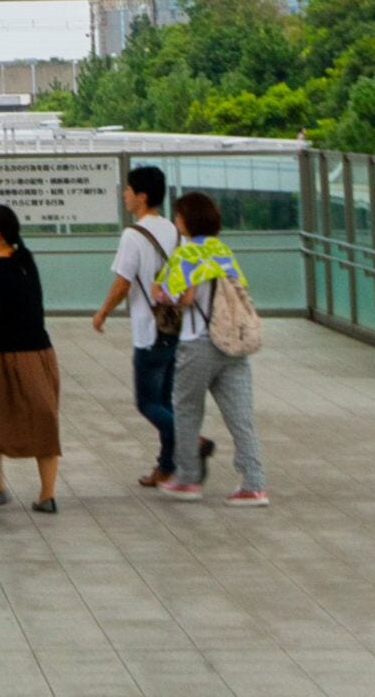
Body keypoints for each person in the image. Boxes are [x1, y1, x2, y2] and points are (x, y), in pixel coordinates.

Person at [156, 190, 268, 507]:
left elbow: (182, 297)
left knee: (187, 411)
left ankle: (188, 478)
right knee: (241, 417)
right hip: (233, 344)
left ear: (185, 220)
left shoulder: (186, 254)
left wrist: (162, 294)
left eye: (178, 215)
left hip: (198, 343)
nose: (176, 220)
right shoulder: (223, 251)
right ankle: (254, 484)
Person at [88, 163, 193, 491]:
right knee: (165, 400)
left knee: (148, 403)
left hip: (149, 330)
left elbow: (122, 282)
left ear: (142, 196)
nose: (125, 195)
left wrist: (102, 312)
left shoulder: (133, 235)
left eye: (129, 190)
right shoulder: (176, 232)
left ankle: (191, 438)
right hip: (175, 328)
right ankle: (166, 466)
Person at [0, 203, 61, 513]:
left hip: (2, 355)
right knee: (42, 422)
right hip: (38, 352)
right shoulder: (25, 260)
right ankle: (46, 494)